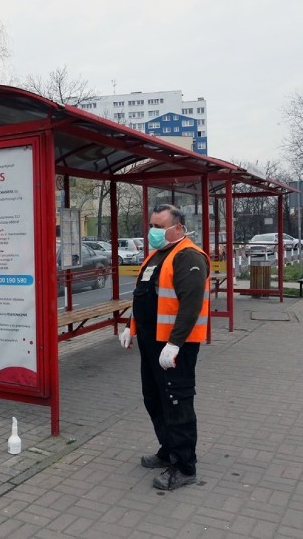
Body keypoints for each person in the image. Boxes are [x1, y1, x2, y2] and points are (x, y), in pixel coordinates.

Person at [119, 204, 209, 490]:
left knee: (176, 402)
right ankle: (167, 449)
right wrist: (130, 327)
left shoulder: (188, 257)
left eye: (160, 227)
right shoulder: (156, 257)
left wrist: (174, 344)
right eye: (152, 226)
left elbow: (190, 306)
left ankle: (184, 466)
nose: (153, 232)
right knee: (154, 398)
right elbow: (143, 298)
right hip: (151, 343)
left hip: (173, 347)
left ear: (179, 228)